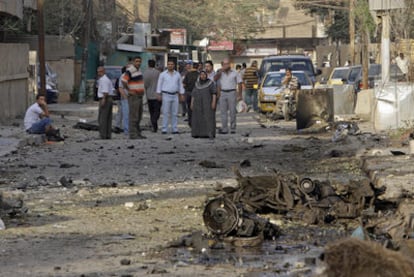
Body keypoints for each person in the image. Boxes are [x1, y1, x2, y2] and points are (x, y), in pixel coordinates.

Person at [156, 60, 185, 134]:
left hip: (175, 95)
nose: (170, 66)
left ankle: (174, 129)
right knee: (165, 112)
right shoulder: (163, 74)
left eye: (172, 64)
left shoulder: (177, 74)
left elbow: (180, 85)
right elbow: (159, 84)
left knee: (175, 113)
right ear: (167, 65)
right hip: (166, 95)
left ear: (174, 65)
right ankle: (164, 129)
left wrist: (181, 94)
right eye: (169, 64)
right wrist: (158, 94)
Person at [122, 56, 146, 139]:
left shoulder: (139, 71)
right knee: (134, 115)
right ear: (133, 62)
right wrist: (129, 90)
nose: (138, 63)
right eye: (136, 61)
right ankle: (133, 134)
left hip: (139, 96)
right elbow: (124, 80)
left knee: (139, 115)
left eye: (139, 61)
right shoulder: (130, 70)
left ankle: (138, 133)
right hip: (134, 96)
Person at [217, 58, 242, 134]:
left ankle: (233, 128)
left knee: (232, 111)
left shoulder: (235, 72)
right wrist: (220, 72)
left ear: (230, 64)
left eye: (227, 64)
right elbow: (215, 81)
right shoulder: (220, 72)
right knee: (223, 112)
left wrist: (239, 95)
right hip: (222, 93)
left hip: (232, 92)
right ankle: (224, 128)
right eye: (224, 64)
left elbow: (239, 83)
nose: (226, 65)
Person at [191, 70, 217, 139]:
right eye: (201, 75)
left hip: (207, 103)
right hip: (197, 104)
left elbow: (214, 93)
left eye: (204, 74)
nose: (203, 76)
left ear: (206, 75)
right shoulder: (197, 84)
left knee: (208, 118)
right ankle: (197, 133)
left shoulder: (210, 83)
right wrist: (192, 103)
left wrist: (214, 102)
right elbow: (193, 94)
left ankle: (209, 133)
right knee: (198, 118)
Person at [97, 66, 115, 139]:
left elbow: (105, 91)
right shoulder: (106, 79)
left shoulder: (104, 80)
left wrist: (104, 99)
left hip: (105, 98)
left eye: (100, 71)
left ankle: (103, 135)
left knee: (102, 118)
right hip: (109, 98)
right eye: (98, 72)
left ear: (104, 71)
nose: (99, 73)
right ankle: (107, 134)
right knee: (108, 118)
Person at [143, 59, 161, 132]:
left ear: (148, 64)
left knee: (151, 111)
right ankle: (154, 121)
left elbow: (145, 85)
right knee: (157, 111)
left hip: (149, 95)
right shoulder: (158, 73)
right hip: (157, 95)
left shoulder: (145, 73)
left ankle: (154, 125)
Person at [182, 62, 199, 126]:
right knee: (197, 108)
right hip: (197, 93)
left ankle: (190, 122)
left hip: (188, 93)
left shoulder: (188, 74)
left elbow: (183, 84)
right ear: (197, 67)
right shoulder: (199, 74)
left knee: (189, 108)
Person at [117, 66, 129, 136]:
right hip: (125, 98)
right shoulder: (123, 76)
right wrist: (124, 96)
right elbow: (120, 87)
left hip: (133, 97)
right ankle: (126, 130)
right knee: (126, 114)